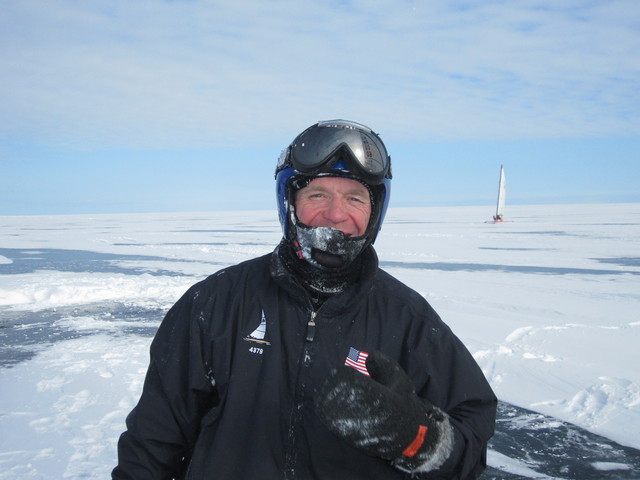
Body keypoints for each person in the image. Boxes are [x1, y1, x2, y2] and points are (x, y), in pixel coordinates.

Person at [112, 119, 497, 479]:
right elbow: (153, 443)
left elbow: (472, 437)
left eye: (355, 199)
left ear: (374, 211)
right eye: (317, 193)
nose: (335, 214)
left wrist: (416, 438)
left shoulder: (407, 318)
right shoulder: (213, 303)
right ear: (289, 202)